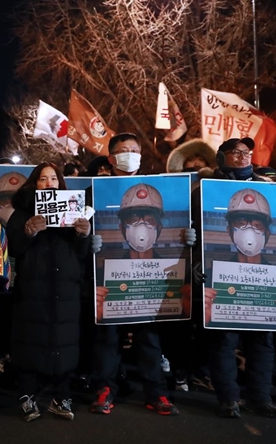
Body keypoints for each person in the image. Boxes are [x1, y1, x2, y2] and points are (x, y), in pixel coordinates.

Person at [91, 134, 187, 417]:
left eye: (135, 150)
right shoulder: (92, 190)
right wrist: (85, 240)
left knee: (150, 339)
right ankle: (104, 389)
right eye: (123, 151)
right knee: (107, 339)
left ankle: (156, 391)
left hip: (153, 283)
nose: (142, 226)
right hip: (108, 279)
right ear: (111, 158)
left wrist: (190, 240)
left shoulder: (158, 186)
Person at [201, 180, 276, 418]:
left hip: (266, 295)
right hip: (226, 294)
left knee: (263, 346)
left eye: (257, 224)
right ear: (229, 229)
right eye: (241, 223)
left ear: (266, 232)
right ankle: (229, 399)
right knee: (224, 343)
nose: (249, 231)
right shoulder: (216, 273)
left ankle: (261, 399)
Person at [6, 162, 91, 422]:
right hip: (33, 287)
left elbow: (83, 255)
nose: (49, 183)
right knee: (30, 338)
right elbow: (12, 248)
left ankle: (62, 396)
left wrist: (83, 235)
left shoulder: (75, 210)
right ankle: (27, 394)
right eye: (43, 178)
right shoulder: (21, 212)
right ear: (34, 183)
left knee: (65, 339)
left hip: (66, 288)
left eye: (54, 178)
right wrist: (28, 231)